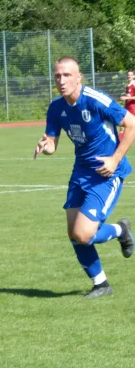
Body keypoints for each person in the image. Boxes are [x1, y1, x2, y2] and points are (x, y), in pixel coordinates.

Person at [34, 56, 135, 298]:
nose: (61, 80)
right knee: (74, 234)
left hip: (106, 174)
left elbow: (131, 124)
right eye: (58, 75)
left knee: (83, 234)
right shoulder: (56, 108)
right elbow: (52, 144)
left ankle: (121, 230)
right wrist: (44, 145)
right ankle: (101, 284)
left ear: (78, 77)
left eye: (67, 75)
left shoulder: (95, 100)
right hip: (80, 173)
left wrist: (114, 159)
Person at [119, 70, 135, 141]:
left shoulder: (134, 84)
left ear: (134, 76)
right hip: (127, 106)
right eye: (128, 75)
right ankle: (120, 140)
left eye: (131, 75)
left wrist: (126, 97)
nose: (129, 76)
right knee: (122, 123)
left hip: (133, 107)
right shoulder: (128, 85)